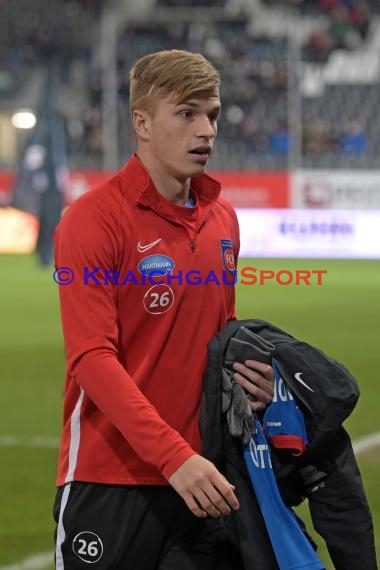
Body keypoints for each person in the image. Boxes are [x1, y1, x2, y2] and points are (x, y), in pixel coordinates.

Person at [53, 49, 275, 569]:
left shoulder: (223, 219)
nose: (206, 131)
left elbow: (219, 340)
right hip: (111, 478)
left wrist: (251, 382)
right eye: (187, 113)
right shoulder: (92, 220)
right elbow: (91, 358)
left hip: (203, 479)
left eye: (213, 115)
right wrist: (174, 457)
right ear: (142, 123)